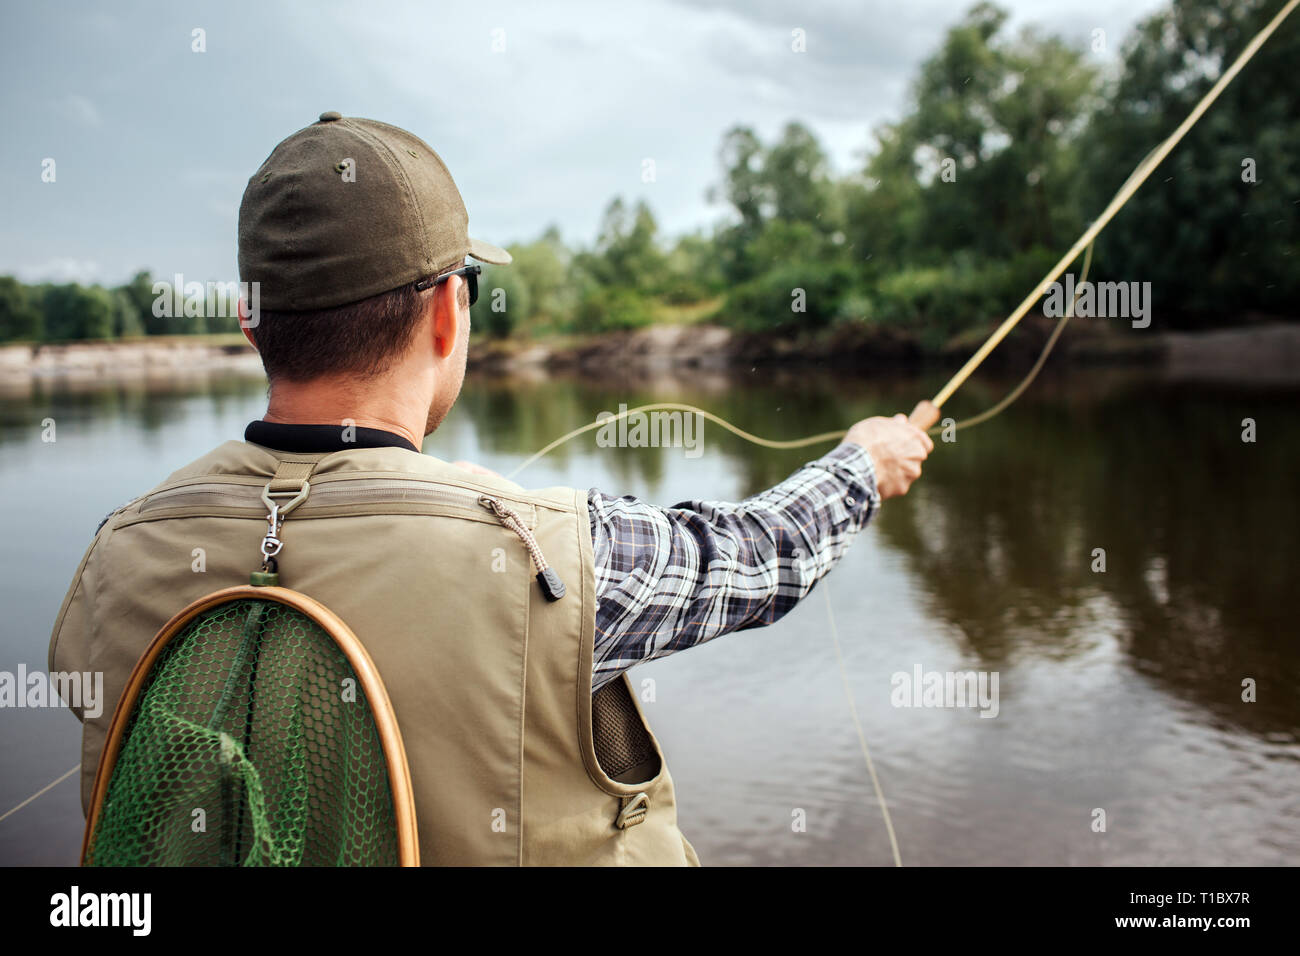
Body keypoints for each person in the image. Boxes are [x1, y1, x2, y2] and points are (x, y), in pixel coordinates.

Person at [49, 113, 932, 866]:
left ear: (250, 322)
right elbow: (764, 554)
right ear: (446, 312)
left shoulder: (112, 557)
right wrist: (866, 462)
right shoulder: (561, 556)